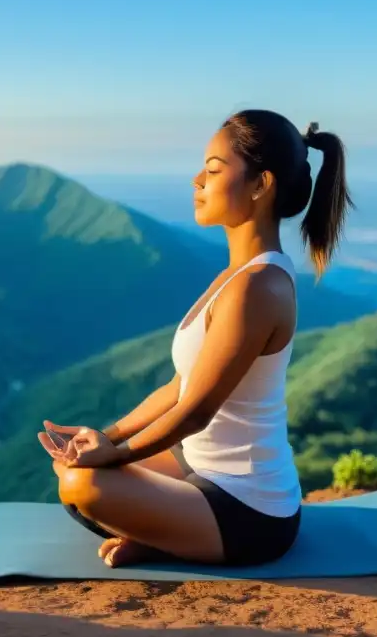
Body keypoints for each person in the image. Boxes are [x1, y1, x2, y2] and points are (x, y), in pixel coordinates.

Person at [38, 110, 353, 569]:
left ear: (260, 185)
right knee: (73, 463)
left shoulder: (257, 287)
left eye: (212, 170)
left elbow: (196, 411)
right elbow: (179, 387)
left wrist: (118, 455)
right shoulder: (237, 276)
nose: (196, 181)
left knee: (83, 485)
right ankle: (164, 534)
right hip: (198, 468)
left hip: (249, 509)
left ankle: (168, 536)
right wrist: (105, 437)